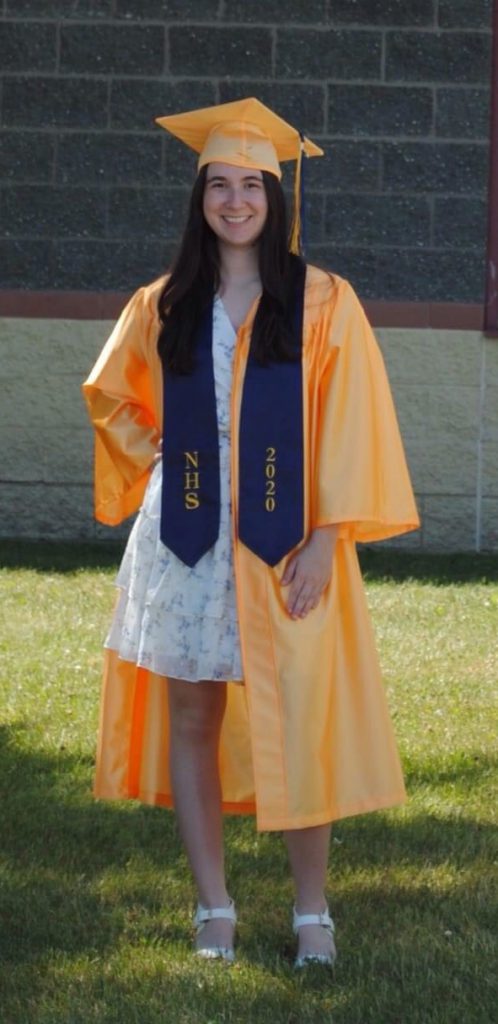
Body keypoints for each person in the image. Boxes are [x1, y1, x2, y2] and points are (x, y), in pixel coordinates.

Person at [83, 97, 419, 968]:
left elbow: (352, 421)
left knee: (302, 717)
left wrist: (327, 537)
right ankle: (214, 910)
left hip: (284, 541)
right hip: (187, 540)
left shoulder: (321, 301)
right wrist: (158, 443)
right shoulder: (165, 302)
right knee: (192, 718)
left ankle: (314, 914)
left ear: (277, 196)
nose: (235, 201)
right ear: (199, 199)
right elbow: (112, 395)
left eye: (251, 185)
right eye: (218, 186)